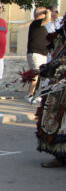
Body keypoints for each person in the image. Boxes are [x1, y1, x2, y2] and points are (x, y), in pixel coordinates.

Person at [34, 19, 66, 167]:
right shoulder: (60, 36)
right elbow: (56, 58)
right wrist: (45, 69)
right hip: (58, 84)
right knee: (54, 117)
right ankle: (60, 156)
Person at [26, 7, 50, 102]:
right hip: (35, 53)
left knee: (40, 76)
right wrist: (46, 11)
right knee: (35, 74)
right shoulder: (36, 23)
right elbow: (47, 18)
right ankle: (30, 95)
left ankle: (36, 94)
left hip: (42, 54)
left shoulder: (42, 27)